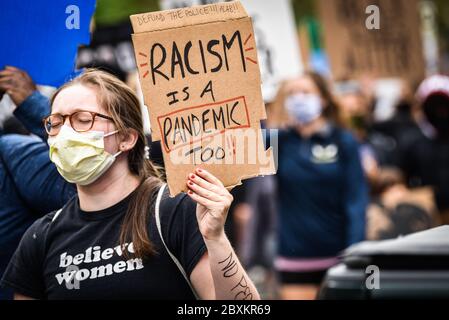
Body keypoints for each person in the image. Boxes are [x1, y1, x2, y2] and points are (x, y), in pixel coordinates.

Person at [0, 69, 259, 300]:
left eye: (82, 119)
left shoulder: (172, 210)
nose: (64, 134)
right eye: (55, 122)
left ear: (126, 138)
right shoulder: (40, 237)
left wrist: (215, 239)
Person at [270, 72, 368, 300]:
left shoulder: (344, 141)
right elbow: (233, 146)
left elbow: (356, 201)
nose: (298, 98)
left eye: (306, 92)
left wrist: (355, 255)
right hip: (294, 259)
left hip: (338, 258)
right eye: (292, 93)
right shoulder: (278, 141)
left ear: (323, 99)